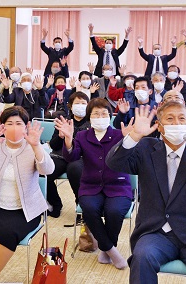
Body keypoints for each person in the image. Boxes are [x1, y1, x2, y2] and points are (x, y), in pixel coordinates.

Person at [106, 102, 186, 283]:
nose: (176, 123)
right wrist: (134, 136)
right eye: (170, 119)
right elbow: (114, 163)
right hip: (156, 231)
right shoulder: (145, 148)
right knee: (142, 258)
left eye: (182, 119)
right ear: (160, 125)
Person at [0, 106, 54, 284]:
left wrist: (36, 146)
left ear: (26, 126)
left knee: (4, 236)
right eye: (9, 123)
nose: (14, 128)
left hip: (25, 210)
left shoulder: (33, 147)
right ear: (2, 126)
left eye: (18, 123)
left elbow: (48, 169)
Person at [60, 98, 132, 269]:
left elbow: (130, 157)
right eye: (96, 113)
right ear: (89, 117)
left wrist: (129, 139)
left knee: (114, 211)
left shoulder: (118, 134)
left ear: (110, 115)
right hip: (90, 185)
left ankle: (106, 249)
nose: (100, 116)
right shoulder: (82, 135)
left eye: (104, 113)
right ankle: (111, 251)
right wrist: (68, 139)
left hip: (118, 185)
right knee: (90, 208)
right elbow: (72, 157)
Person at [46, 92, 90, 217]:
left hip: (80, 158)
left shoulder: (91, 122)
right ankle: (55, 203)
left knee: (75, 170)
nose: (80, 106)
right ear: (70, 106)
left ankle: (80, 204)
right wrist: (60, 137)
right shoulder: (63, 121)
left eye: (83, 103)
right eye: (77, 103)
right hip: (60, 156)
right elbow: (53, 145)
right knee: (44, 171)